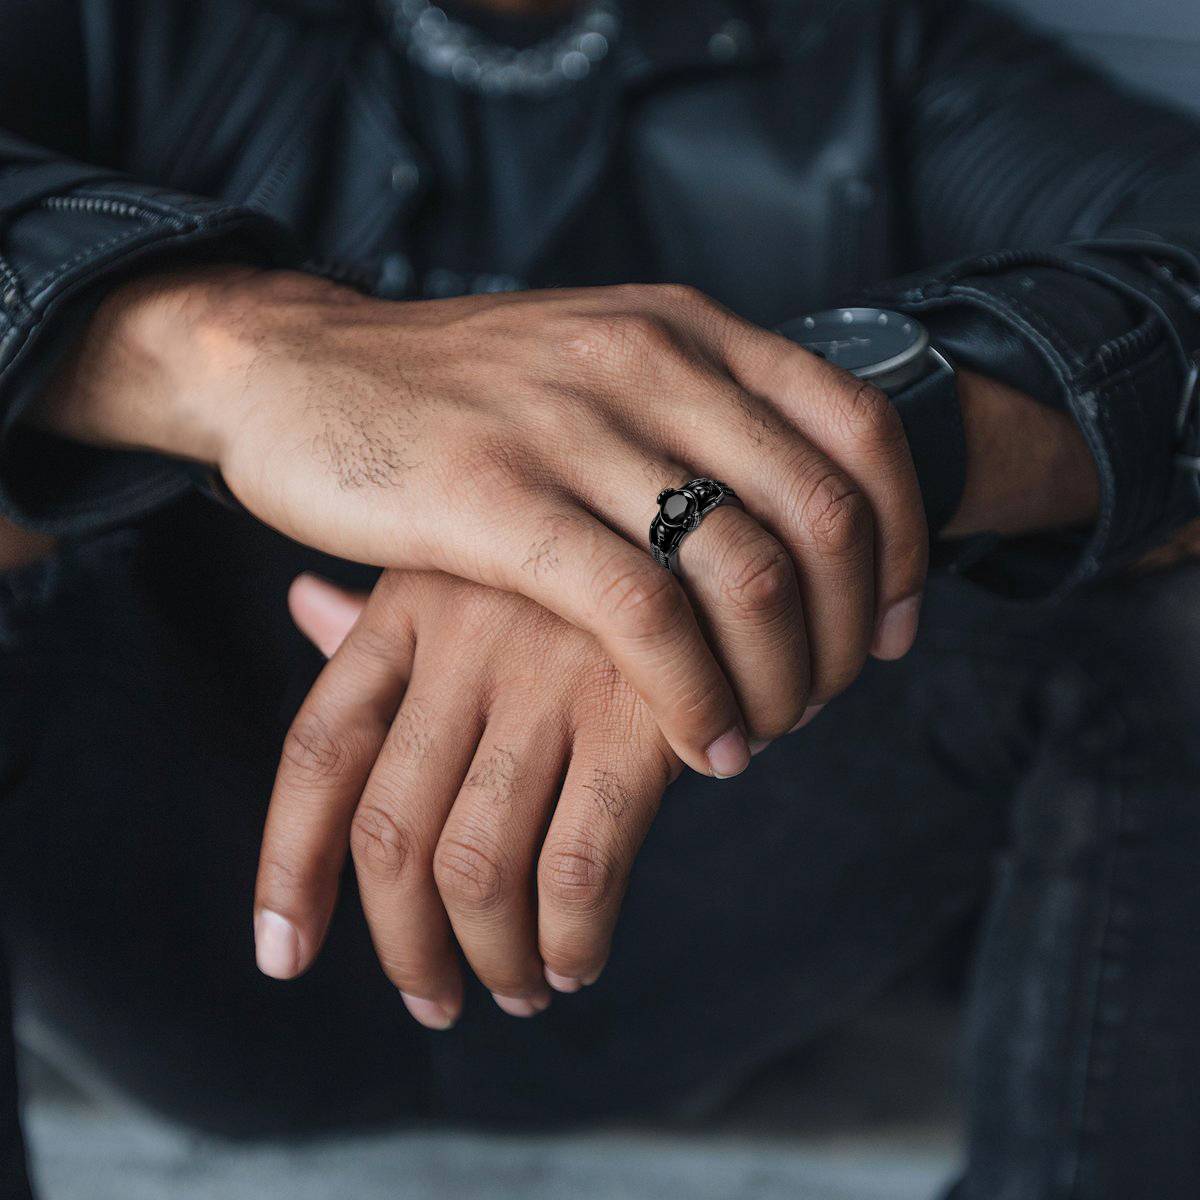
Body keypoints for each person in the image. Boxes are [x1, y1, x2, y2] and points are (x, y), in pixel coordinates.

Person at [1, 0, 1199, 1195]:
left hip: (674, 914)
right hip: (186, 895)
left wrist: (749, 482)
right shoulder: (123, 26)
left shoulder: (866, 49)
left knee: (1158, 571)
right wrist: (232, 351)